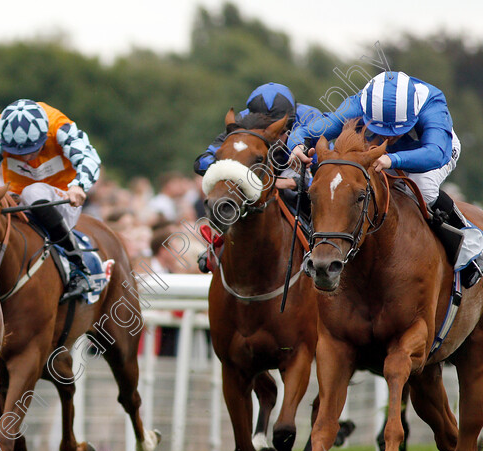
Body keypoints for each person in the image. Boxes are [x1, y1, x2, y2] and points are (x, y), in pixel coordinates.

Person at [289, 70, 483, 288]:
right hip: (382, 155)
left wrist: (394, 159)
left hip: (434, 150)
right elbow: (309, 131)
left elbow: (436, 153)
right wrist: (297, 146)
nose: (389, 137)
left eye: (397, 131)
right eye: (381, 129)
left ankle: (470, 248)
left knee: (424, 188)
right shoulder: (359, 104)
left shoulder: (432, 103)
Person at [0, 99, 102, 301]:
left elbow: (89, 157)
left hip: (61, 199)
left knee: (34, 192)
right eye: (19, 153)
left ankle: (77, 262)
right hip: (19, 198)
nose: (25, 158)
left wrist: (79, 185)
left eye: (31, 151)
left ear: (44, 136)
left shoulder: (59, 126)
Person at [194, 82, 322, 189]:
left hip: (302, 177)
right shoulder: (242, 123)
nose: (273, 140)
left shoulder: (311, 119)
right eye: (263, 132)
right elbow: (201, 163)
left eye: (280, 131)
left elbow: (330, 174)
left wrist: (295, 182)